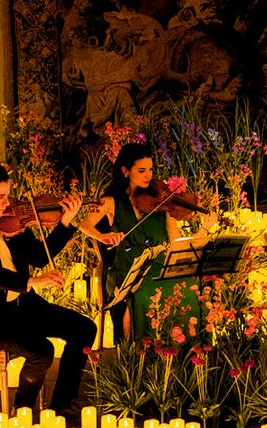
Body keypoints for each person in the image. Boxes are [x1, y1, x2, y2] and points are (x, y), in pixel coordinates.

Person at [0, 161, 97, 421]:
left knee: (84, 328)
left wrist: (66, 223)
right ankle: (23, 411)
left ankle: (61, 404)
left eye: (8, 195)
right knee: (42, 351)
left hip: (23, 307)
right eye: (1, 196)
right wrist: (31, 282)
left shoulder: (8, 222)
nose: (8, 202)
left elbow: (39, 256)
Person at [79, 143, 196, 340]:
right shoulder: (111, 200)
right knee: (143, 295)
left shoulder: (161, 200)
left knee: (190, 291)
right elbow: (84, 224)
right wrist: (101, 236)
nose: (148, 175)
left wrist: (200, 232)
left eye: (150, 169)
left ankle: (179, 353)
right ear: (125, 170)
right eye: (141, 170)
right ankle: (137, 355)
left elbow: (175, 240)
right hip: (128, 268)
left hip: (158, 265)